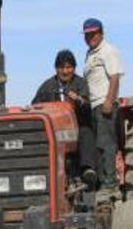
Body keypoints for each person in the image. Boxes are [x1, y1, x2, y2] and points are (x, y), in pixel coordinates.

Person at [32, 49, 97, 183]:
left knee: (86, 131)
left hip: (76, 126)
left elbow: (87, 105)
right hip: (53, 131)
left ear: (74, 68)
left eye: (68, 67)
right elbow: (34, 106)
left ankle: (87, 169)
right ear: (56, 69)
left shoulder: (81, 83)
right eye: (61, 67)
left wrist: (78, 99)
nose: (65, 71)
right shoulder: (47, 86)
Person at [82, 18, 125, 200]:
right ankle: (101, 182)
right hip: (93, 106)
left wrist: (109, 101)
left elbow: (114, 77)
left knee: (106, 144)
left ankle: (110, 185)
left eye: (93, 33)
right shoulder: (90, 54)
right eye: (87, 35)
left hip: (104, 104)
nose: (90, 37)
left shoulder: (108, 51)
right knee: (97, 145)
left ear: (101, 33)